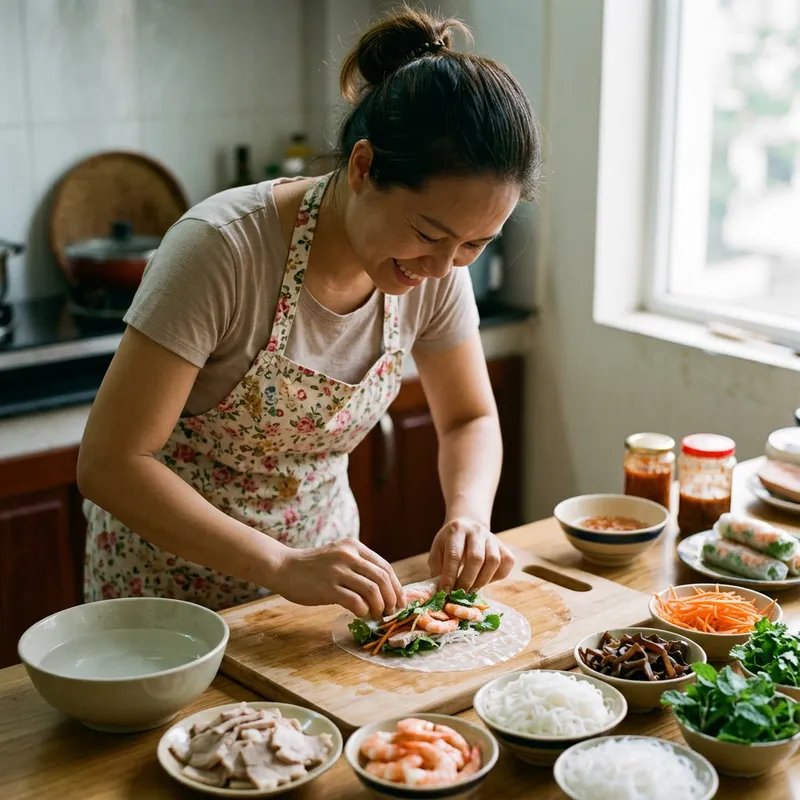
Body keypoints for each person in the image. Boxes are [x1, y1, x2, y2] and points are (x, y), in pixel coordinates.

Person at [77, 7, 542, 619]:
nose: (442, 267)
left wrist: (469, 517)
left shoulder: (437, 269)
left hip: (317, 597)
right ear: (363, 167)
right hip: (170, 600)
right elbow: (111, 463)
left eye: (475, 245)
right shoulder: (222, 249)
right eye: (428, 233)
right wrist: (279, 564)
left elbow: (469, 417)